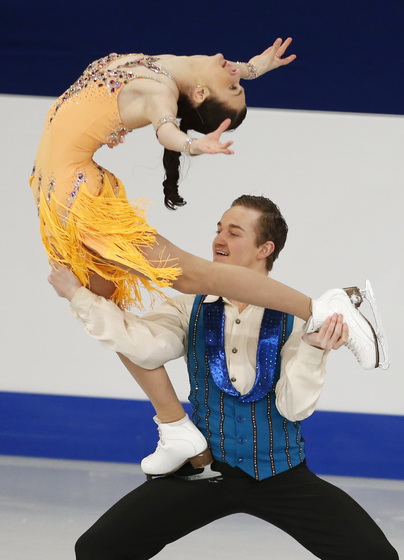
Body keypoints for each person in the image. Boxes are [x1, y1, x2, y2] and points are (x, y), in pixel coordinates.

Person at [35, 36, 383, 473]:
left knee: (195, 277)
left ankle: (321, 309)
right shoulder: (171, 71)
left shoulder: (161, 92)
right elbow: (212, 73)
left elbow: (165, 126)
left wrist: (192, 145)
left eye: (234, 83)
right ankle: (175, 427)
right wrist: (253, 69)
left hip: (76, 196)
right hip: (57, 191)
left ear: (199, 94)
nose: (233, 71)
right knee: (107, 305)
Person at [49, 195, 398, 560]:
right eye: (218, 230)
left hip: (279, 473)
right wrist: (78, 295)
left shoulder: (296, 317)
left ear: (265, 248)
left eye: (234, 232)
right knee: (99, 548)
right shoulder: (188, 306)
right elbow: (144, 348)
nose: (219, 239)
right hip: (205, 469)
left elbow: (293, 409)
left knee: (375, 556)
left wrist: (313, 349)